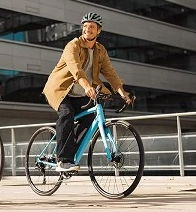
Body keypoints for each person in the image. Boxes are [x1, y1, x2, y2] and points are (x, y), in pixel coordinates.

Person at [42, 12, 131, 172]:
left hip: (81, 93)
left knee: (90, 117)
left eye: (91, 27)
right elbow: (76, 70)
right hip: (61, 89)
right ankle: (63, 160)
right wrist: (87, 86)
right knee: (66, 113)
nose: (87, 30)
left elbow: (110, 73)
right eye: (85, 26)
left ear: (99, 31)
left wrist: (122, 92)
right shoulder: (73, 45)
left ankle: (71, 154)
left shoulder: (100, 50)